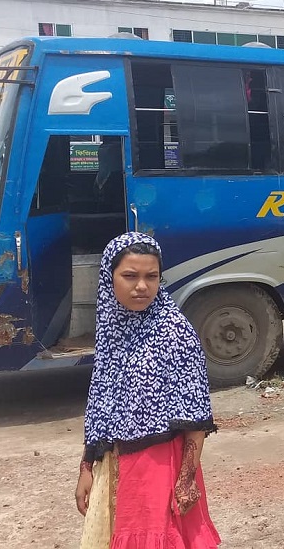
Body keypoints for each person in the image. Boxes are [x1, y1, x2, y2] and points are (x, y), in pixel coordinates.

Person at [75, 232, 221, 549]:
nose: (142, 286)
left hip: (159, 465)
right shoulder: (111, 329)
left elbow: (196, 415)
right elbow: (100, 404)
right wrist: (87, 466)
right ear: (108, 278)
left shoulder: (174, 331)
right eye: (130, 276)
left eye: (151, 277)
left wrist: (186, 479)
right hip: (113, 462)